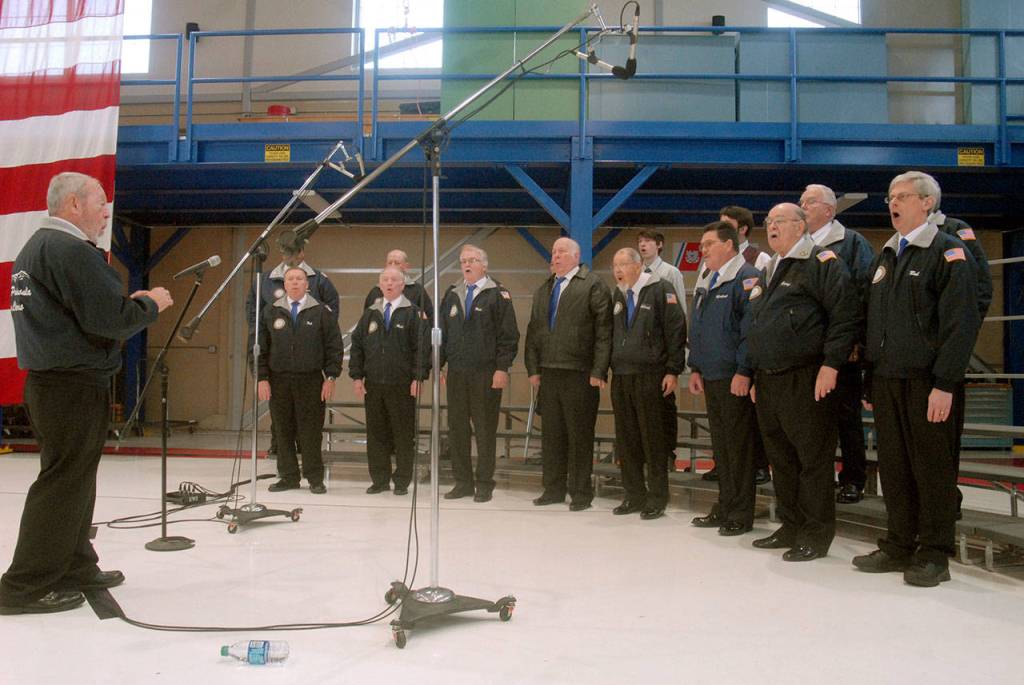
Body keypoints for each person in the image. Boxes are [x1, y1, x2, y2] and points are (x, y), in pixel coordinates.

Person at [0, 172, 173, 615]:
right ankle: (23, 586)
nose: (104, 214)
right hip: (71, 383)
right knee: (62, 483)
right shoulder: (69, 250)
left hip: (54, 381)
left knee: (74, 479)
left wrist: (122, 305)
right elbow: (110, 320)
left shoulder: (37, 249)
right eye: (99, 204)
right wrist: (150, 303)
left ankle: (74, 563)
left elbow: (81, 311)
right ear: (74, 204)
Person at [854, 171, 980, 587]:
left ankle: (934, 552)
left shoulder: (948, 252)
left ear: (927, 203)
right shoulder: (886, 255)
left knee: (932, 469)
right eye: (891, 196)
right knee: (895, 468)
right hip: (888, 381)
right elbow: (874, 322)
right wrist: (870, 379)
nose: (894, 202)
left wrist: (945, 383)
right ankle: (899, 543)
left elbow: (959, 325)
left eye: (903, 196)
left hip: (929, 384)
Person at [746, 203, 859, 562]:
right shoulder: (770, 268)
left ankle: (815, 532)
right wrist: (754, 372)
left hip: (807, 376)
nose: (772, 227)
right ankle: (791, 525)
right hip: (769, 380)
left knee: (812, 459)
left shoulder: (821, 262)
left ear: (801, 225)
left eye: (779, 221)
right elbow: (759, 326)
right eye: (768, 222)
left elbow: (844, 316)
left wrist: (831, 365)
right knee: (782, 458)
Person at [799, 184, 875, 504]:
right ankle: (820, 477)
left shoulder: (852, 243)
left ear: (829, 211)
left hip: (842, 348)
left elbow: (862, 293)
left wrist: (855, 340)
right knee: (815, 420)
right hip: (808, 351)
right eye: (800, 202)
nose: (802, 207)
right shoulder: (800, 247)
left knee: (846, 416)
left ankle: (854, 479)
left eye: (809, 202)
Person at [525, 237, 612, 511]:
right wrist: (533, 367)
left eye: (561, 252)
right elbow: (534, 331)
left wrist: (599, 369)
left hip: (580, 372)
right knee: (551, 435)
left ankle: (581, 493)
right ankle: (553, 489)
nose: (555, 256)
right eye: (553, 252)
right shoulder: (545, 288)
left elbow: (604, 331)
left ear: (576, 256)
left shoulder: (592, 284)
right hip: (549, 372)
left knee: (579, 436)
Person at [688, 221, 762, 536]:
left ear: (729, 245)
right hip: (712, 375)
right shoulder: (710, 280)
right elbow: (699, 327)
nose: (702, 250)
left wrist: (744, 370)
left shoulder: (746, 278)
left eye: (708, 244)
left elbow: (751, 331)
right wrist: (695, 367)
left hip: (734, 378)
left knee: (739, 449)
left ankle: (741, 513)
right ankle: (725, 505)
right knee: (722, 448)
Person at [246, 231, 339, 460]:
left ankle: (310, 465)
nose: (288, 258)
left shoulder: (319, 279)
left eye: (293, 253)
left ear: (302, 252)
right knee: (281, 417)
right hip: (279, 354)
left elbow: (331, 314)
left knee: (308, 420)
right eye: (284, 253)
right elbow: (253, 312)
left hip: (308, 359)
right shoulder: (265, 280)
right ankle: (282, 456)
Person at [608, 248, 686, 520]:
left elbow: (676, 330)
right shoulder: (618, 294)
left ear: (638, 265)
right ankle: (633, 495)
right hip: (622, 375)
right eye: (614, 265)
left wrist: (673, 370)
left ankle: (657, 498)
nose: (617, 270)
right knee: (627, 440)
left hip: (652, 375)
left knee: (652, 440)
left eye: (622, 264)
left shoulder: (661, 289)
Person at [439, 245, 520, 503]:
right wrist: (440, 365)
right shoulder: (452, 294)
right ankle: (463, 481)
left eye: (472, 260)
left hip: (486, 373)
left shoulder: (498, 294)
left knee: (485, 430)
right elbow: (443, 334)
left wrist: (502, 367)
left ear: (484, 265)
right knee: (457, 429)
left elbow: (509, 336)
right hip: (457, 373)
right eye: (463, 260)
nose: (467, 264)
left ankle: (484, 482)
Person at [257, 267, 344, 494]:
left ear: (307, 284)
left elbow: (334, 347)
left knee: (310, 431)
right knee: (283, 430)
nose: (295, 283)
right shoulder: (270, 311)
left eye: (299, 279)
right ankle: (288, 477)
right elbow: (260, 349)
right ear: (284, 285)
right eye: (290, 279)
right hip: (279, 381)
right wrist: (262, 378)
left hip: (311, 380)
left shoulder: (321, 312)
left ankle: (315, 477)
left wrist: (331, 376)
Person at [350, 267, 431, 495]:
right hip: (374, 384)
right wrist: (357, 376)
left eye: (394, 280)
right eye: (385, 280)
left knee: (403, 434)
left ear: (402, 285)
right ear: (379, 284)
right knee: (376, 434)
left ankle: (402, 481)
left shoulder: (414, 313)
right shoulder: (370, 314)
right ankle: (380, 480)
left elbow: (422, 349)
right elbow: (357, 346)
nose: (389, 283)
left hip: (402, 384)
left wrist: (419, 376)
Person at [935, 214, 992, 519]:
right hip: (912, 361)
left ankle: (946, 506)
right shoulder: (900, 245)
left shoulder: (955, 231)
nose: (894, 204)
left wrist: (963, 336)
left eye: (903, 196)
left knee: (944, 440)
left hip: (946, 356)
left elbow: (980, 287)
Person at [716, 205, 772, 485]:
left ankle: (759, 465)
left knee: (751, 417)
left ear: (742, 230)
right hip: (722, 358)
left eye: (726, 225)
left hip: (747, 355)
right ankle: (723, 463)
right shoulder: (712, 264)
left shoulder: (759, 259)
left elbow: (757, 310)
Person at [636, 229, 687, 474]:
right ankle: (644, 455)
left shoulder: (670, 272)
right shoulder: (637, 274)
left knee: (665, 406)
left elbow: (679, 314)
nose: (643, 245)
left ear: (659, 245)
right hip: (642, 355)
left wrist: (675, 357)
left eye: (647, 242)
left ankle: (668, 453)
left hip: (664, 353)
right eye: (640, 242)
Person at [363, 249, 432, 313]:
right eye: (390, 263)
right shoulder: (376, 291)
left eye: (397, 263)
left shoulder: (417, 290)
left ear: (406, 266)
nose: (393, 266)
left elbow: (429, 317)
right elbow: (366, 318)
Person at [720, 205, 772, 271]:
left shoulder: (761, 259)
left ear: (743, 229)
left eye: (727, 225)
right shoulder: (714, 257)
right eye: (720, 224)